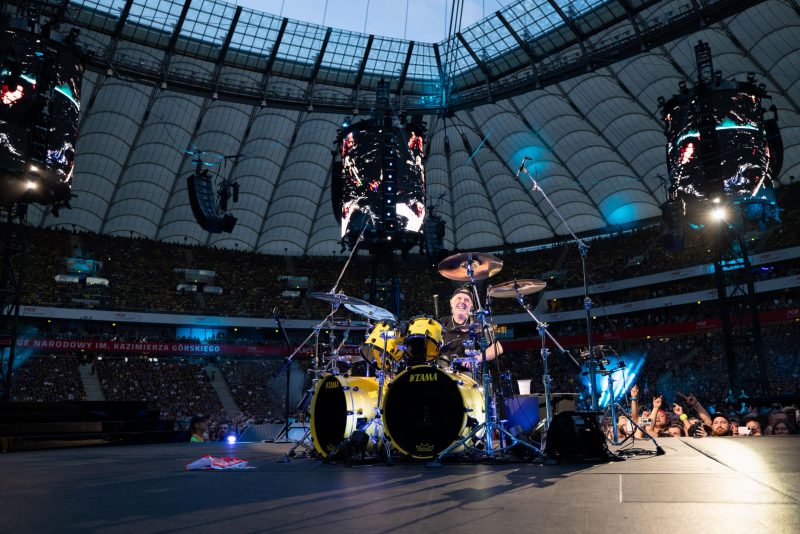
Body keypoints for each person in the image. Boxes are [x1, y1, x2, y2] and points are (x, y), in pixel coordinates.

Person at [440, 285, 503, 367]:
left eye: (466, 300)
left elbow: (497, 348)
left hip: (467, 374)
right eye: (459, 298)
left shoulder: (477, 324)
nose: (462, 302)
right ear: (451, 302)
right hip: (443, 371)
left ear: (471, 306)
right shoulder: (442, 322)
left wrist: (477, 359)